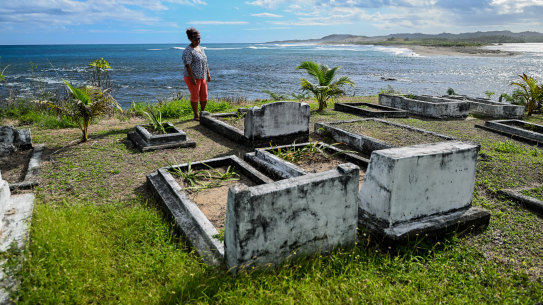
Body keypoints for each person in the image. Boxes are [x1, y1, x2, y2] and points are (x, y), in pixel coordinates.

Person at [182, 27, 211, 121]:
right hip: (192, 77)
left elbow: (205, 62)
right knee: (195, 96)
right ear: (190, 39)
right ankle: (196, 115)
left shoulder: (201, 49)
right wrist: (192, 78)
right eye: (195, 39)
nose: (198, 41)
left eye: (199, 39)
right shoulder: (188, 50)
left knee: (204, 96)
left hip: (202, 76)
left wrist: (208, 73)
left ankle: (202, 113)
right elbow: (187, 65)